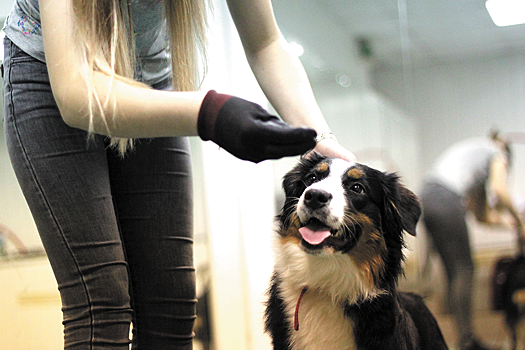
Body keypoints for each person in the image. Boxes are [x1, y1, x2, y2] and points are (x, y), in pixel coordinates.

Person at [2, 0, 356, 349]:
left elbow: (265, 42)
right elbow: (76, 95)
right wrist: (210, 114)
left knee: (171, 298)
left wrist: (319, 137)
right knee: (102, 298)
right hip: (52, 75)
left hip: (150, 79)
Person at [420, 131, 524, 350]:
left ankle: (463, 340)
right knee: (464, 269)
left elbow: (481, 216)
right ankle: (467, 341)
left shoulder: (475, 160)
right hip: (445, 198)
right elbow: (499, 190)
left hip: (428, 196)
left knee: (455, 273)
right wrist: (520, 222)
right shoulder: (497, 152)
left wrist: (511, 225)